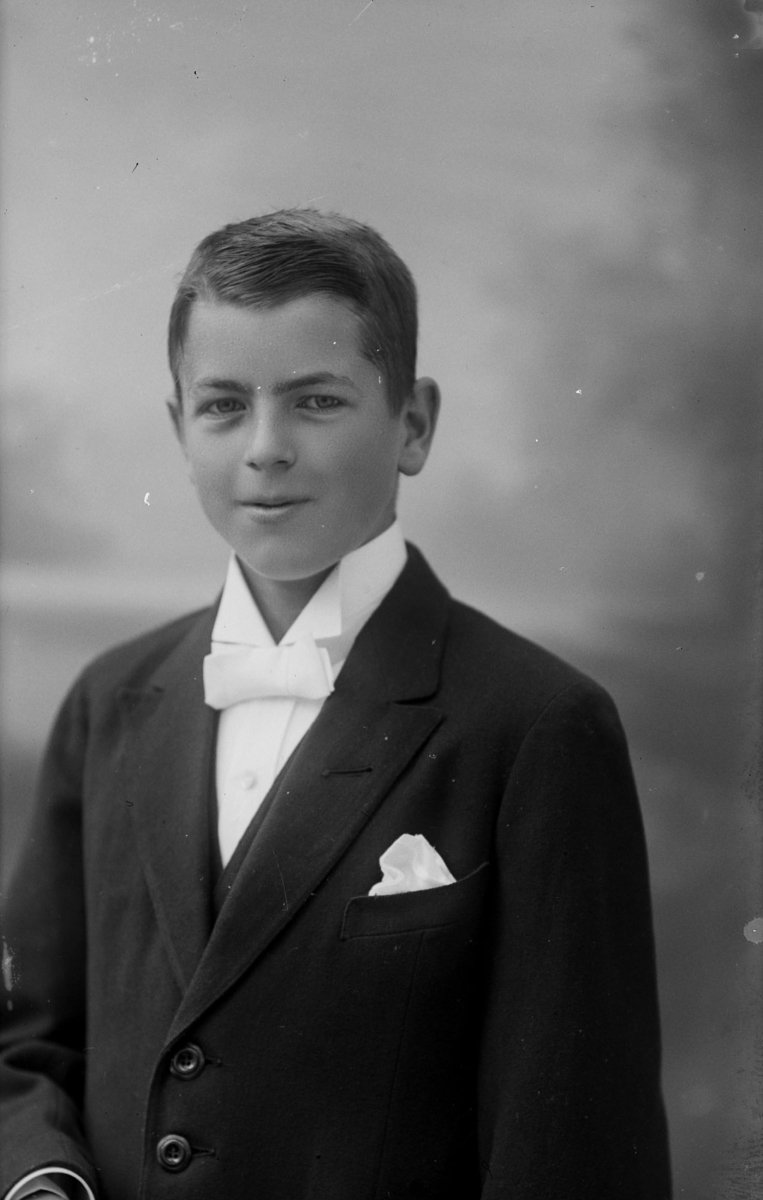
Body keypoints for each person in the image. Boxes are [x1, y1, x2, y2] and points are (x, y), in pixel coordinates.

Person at [0, 210, 672, 1199]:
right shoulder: (111, 701)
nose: (265, 448)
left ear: (414, 424)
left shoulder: (536, 724)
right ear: (179, 428)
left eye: (316, 401)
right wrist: (42, 1178)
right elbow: (25, 1038)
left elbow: (570, 1142)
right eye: (223, 406)